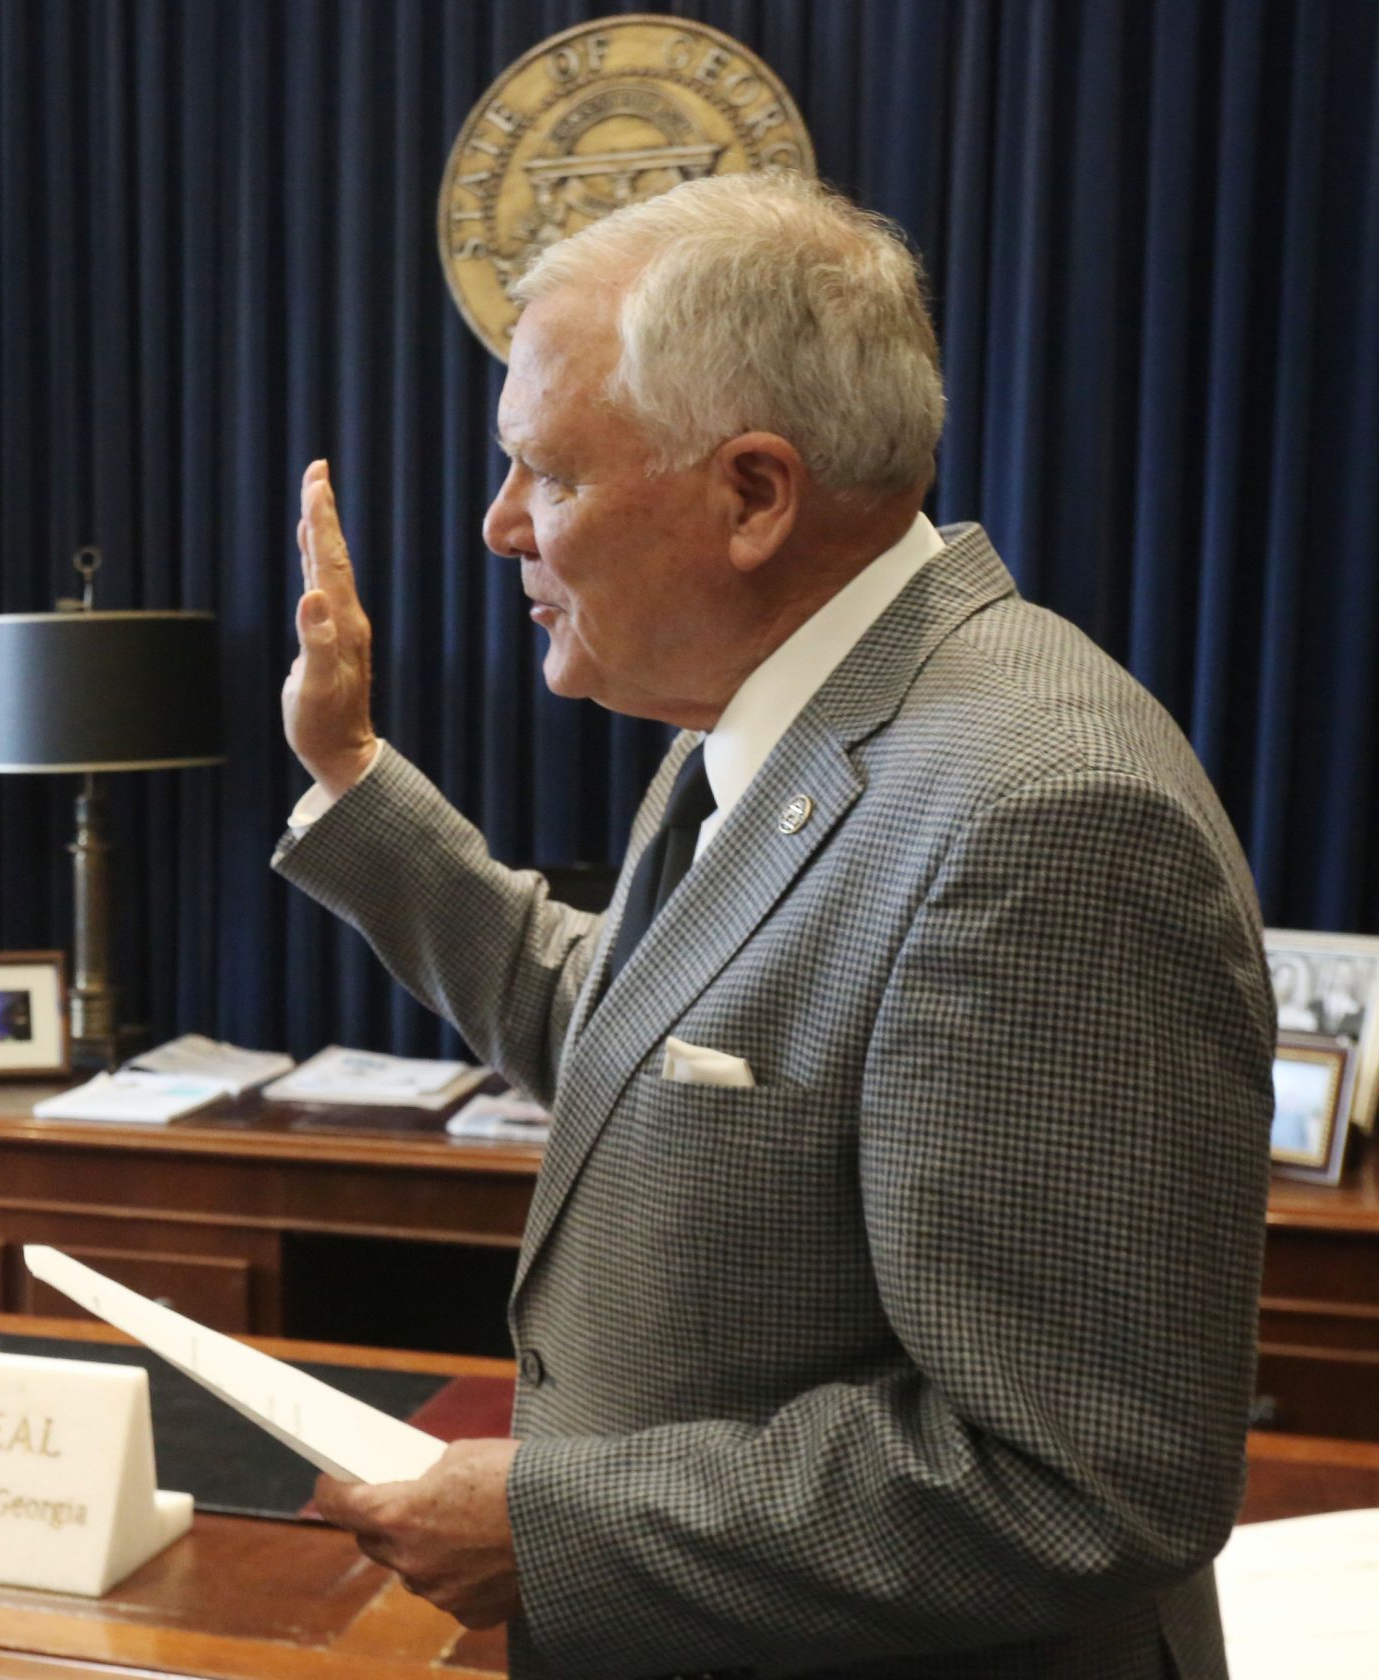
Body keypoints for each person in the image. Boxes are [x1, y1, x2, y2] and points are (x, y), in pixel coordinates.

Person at [276, 172, 1271, 1678]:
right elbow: (624, 1028)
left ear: (753, 493)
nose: (497, 530)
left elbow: (1083, 1480)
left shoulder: (1042, 819)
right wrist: (352, 778)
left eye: (543, 474)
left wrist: (560, 1529)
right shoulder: (785, 713)